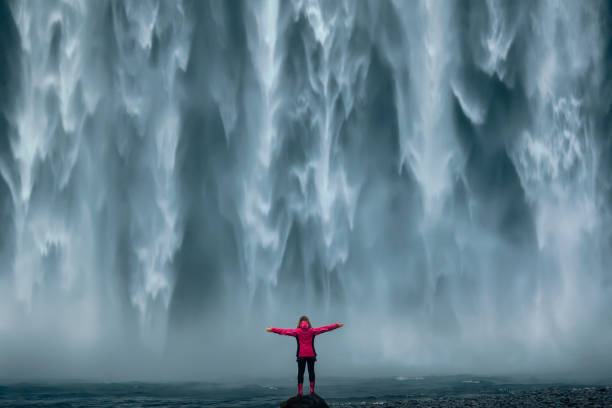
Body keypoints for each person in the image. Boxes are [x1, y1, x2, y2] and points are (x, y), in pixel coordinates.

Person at [267, 315, 343, 396]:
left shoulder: (296, 331)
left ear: (300, 323)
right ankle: (312, 390)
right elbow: (326, 328)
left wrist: (272, 329)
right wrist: (337, 325)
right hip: (311, 355)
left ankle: (300, 391)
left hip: (301, 355)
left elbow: (284, 331)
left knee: (300, 373)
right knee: (311, 372)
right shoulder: (313, 331)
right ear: (308, 322)